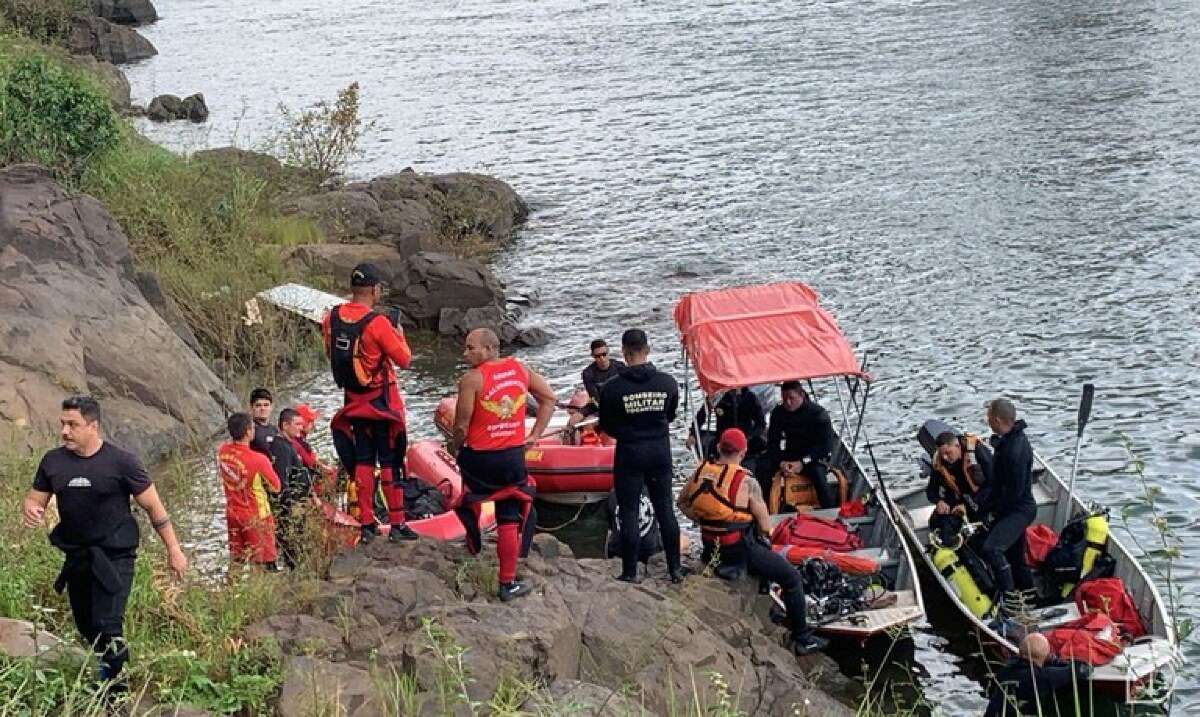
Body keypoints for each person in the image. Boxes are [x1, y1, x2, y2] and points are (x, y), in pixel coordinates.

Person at [21, 396, 188, 688]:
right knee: (87, 625)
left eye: (73, 425)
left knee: (108, 625)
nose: (64, 431)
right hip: (78, 557)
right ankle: (109, 669)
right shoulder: (53, 462)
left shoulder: (122, 462)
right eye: (63, 424)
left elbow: (154, 508)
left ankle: (115, 693)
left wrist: (173, 549)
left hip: (115, 556)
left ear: (93, 426)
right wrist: (31, 509)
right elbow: (34, 499)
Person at [677, 428, 828, 655]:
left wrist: (705, 520)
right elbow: (766, 527)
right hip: (739, 550)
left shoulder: (700, 471)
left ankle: (769, 604)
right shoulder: (747, 480)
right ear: (743, 451)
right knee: (791, 578)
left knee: (761, 551)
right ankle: (803, 638)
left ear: (718, 447)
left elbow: (682, 503)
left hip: (711, 548)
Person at [448, 328, 556, 601]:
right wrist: (535, 435)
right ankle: (506, 584)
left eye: (470, 348)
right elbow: (549, 399)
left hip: (481, 458)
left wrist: (454, 447)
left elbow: (461, 424)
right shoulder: (520, 370)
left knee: (468, 497)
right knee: (508, 513)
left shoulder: (472, 379)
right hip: (511, 457)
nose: (465, 353)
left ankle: (473, 543)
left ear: (489, 348)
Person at [322, 262, 418, 543]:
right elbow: (405, 359)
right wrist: (398, 334)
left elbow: (330, 351)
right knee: (390, 461)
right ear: (375, 290)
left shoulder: (332, 317)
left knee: (363, 459)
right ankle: (398, 524)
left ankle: (366, 524)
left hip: (353, 402)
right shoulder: (378, 323)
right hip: (382, 404)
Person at [597, 328, 683, 583]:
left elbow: (607, 425)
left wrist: (628, 429)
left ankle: (630, 571)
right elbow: (670, 415)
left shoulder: (613, 388)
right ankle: (675, 569)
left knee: (629, 511)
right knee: (665, 508)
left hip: (630, 452)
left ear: (623, 353)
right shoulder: (667, 382)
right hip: (659, 450)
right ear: (648, 349)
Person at [978, 398, 1038, 600]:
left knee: (992, 548)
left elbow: (1014, 491)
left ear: (996, 419)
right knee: (1015, 555)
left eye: (988, 418)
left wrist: (996, 514)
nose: (987, 422)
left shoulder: (1014, 450)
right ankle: (1029, 595)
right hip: (1013, 505)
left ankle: (1010, 599)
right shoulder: (1009, 441)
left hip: (1019, 509)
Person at [217, 412, 282, 570]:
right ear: (247, 432)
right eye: (252, 427)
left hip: (232, 513)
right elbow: (276, 487)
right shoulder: (259, 460)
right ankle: (263, 593)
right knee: (263, 562)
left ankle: (231, 591)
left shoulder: (222, 451)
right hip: (256, 516)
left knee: (237, 560)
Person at [765, 382, 837, 509]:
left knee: (818, 475)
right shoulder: (778, 413)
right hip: (790, 453)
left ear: (801, 395)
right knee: (762, 468)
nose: (788, 402)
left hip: (812, 456)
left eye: (791, 398)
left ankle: (829, 509)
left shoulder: (818, 414)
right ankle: (765, 508)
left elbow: (826, 447)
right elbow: (772, 443)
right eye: (784, 399)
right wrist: (781, 462)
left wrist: (802, 462)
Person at [984, 633, 1091, 716]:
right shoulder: (1041, 677)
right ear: (1046, 655)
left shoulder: (1006, 669)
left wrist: (1048, 660)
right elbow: (1082, 668)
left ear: (1020, 652)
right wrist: (1054, 660)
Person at [270, 408, 316, 569]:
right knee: (292, 540)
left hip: (299, 501)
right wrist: (289, 506)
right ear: (285, 425)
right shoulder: (281, 448)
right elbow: (282, 480)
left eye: (301, 424)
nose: (300, 428)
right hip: (291, 505)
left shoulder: (287, 445)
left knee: (299, 539)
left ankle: (297, 566)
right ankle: (294, 568)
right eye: (296, 424)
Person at [927, 430, 992, 520]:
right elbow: (931, 491)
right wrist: (939, 501)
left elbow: (994, 482)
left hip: (982, 496)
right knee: (937, 521)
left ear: (957, 446)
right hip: (959, 498)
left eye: (948, 453)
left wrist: (969, 505)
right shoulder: (939, 462)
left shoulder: (977, 451)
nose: (945, 458)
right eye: (942, 454)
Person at [687, 387, 766, 460]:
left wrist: (748, 437)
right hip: (722, 440)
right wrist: (693, 434)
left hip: (745, 441)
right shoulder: (718, 396)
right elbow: (701, 415)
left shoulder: (750, 397)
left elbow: (761, 424)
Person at [248, 387, 278, 457]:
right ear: (251, 407)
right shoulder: (248, 430)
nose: (263, 408)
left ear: (271, 407)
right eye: (258, 405)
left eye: (266, 405)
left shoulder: (275, 430)